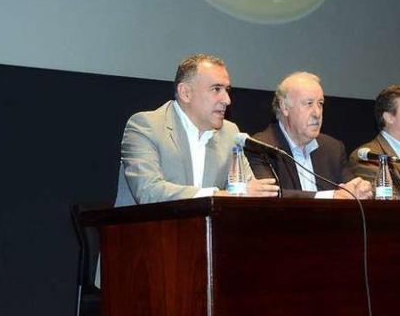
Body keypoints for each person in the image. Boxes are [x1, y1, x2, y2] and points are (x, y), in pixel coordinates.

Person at [114, 54, 279, 206]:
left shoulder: (230, 133)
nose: (227, 100)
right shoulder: (146, 127)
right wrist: (219, 195)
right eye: (216, 89)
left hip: (204, 234)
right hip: (144, 233)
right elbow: (149, 192)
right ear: (185, 93)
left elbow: (247, 190)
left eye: (227, 90)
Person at [245, 72, 373, 199]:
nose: (317, 113)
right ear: (284, 107)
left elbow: (349, 190)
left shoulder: (333, 149)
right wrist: (331, 196)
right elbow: (270, 195)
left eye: (320, 104)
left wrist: (359, 190)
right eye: (309, 103)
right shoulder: (260, 147)